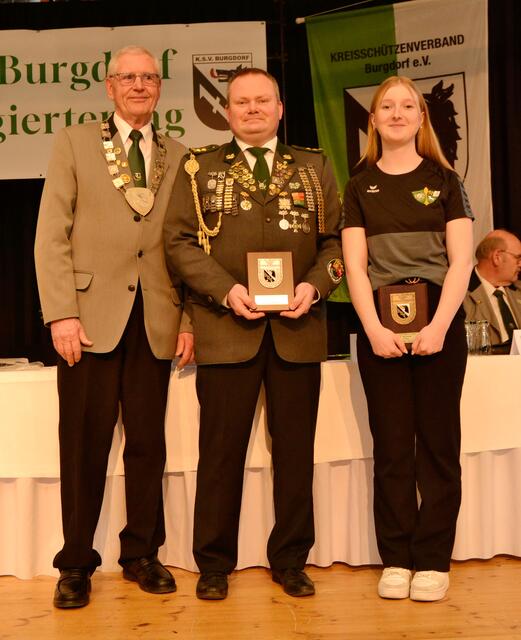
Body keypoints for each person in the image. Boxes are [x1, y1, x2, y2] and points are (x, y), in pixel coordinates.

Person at [163, 68, 342, 600]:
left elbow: (336, 243)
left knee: (295, 454)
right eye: (242, 102)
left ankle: (291, 559)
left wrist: (314, 287)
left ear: (280, 108)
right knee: (220, 455)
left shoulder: (313, 166)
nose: (253, 109)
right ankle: (214, 563)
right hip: (226, 329)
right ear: (227, 111)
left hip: (298, 329)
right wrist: (225, 291)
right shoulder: (198, 168)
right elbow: (178, 243)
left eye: (263, 100)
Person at [34, 45, 193, 609]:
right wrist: (61, 312)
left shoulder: (180, 154)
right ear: (109, 86)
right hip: (89, 320)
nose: (139, 85)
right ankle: (76, 562)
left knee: (148, 446)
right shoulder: (74, 142)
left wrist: (188, 318)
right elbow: (51, 234)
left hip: (156, 318)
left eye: (149, 77)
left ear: (159, 87)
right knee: (83, 446)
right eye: (129, 77)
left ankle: (142, 554)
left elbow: (189, 245)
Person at [341, 76, 474, 602]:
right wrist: (373, 329)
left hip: (441, 323)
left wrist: (439, 325)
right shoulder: (358, 185)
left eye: (407, 106)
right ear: (373, 120)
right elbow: (355, 267)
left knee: (439, 447)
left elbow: (461, 261)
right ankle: (396, 558)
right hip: (380, 328)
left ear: (421, 118)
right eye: (387, 106)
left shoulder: (445, 180)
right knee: (393, 448)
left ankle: (434, 561)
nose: (397, 114)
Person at [464, 229, 521, 350]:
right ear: (497, 257)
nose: (520, 264)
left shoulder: (518, 291)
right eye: (517, 258)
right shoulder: (460, 295)